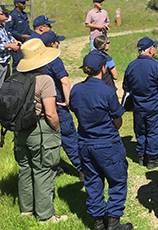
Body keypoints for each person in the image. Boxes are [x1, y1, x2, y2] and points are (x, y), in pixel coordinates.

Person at [70, 51, 133, 230]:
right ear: (103, 68)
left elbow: (75, 109)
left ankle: (98, 223)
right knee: (117, 181)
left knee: (92, 181)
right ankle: (113, 222)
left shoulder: (76, 89)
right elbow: (117, 118)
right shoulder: (106, 91)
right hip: (107, 143)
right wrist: (113, 129)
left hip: (84, 143)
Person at [15, 38, 67, 223]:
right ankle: (45, 216)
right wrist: (57, 129)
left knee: (25, 169)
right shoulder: (44, 80)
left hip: (20, 130)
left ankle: (26, 210)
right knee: (44, 170)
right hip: (40, 129)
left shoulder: (16, 76)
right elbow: (51, 113)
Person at [123, 37, 158, 168]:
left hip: (138, 107)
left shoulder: (131, 66)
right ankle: (152, 159)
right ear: (150, 50)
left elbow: (126, 88)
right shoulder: (156, 66)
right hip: (154, 107)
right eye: (154, 47)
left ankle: (141, 156)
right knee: (155, 131)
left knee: (141, 131)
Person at [40, 31, 82, 179]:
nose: (58, 43)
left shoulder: (37, 58)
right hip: (57, 104)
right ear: (52, 44)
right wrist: (67, 100)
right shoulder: (54, 58)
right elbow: (64, 81)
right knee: (69, 137)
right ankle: (83, 168)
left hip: (41, 105)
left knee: (47, 139)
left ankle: (52, 168)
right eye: (57, 41)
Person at [5, 0, 33, 70]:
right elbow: (9, 31)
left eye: (25, 3)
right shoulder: (12, 15)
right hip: (17, 44)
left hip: (26, 43)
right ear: (17, 4)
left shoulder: (24, 15)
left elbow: (27, 28)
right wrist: (21, 36)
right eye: (22, 3)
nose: (24, 5)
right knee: (18, 64)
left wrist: (35, 34)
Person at [0, 5, 21, 87]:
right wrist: (10, 46)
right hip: (0, 62)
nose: (7, 16)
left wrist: (14, 41)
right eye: (5, 14)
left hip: (5, 61)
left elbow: (8, 36)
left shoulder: (2, 27)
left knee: (5, 84)